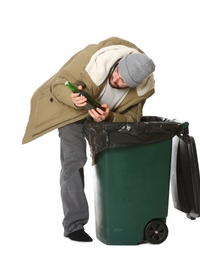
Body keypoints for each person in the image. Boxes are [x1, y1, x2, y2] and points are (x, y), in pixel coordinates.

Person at [22, 36, 156, 242]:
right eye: (118, 74)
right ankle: (74, 226)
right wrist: (72, 98)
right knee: (74, 160)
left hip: (102, 121)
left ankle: (120, 218)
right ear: (119, 62)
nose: (117, 81)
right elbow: (58, 84)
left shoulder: (140, 91)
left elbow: (132, 119)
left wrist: (110, 117)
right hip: (71, 112)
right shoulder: (92, 57)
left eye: (124, 83)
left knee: (113, 164)